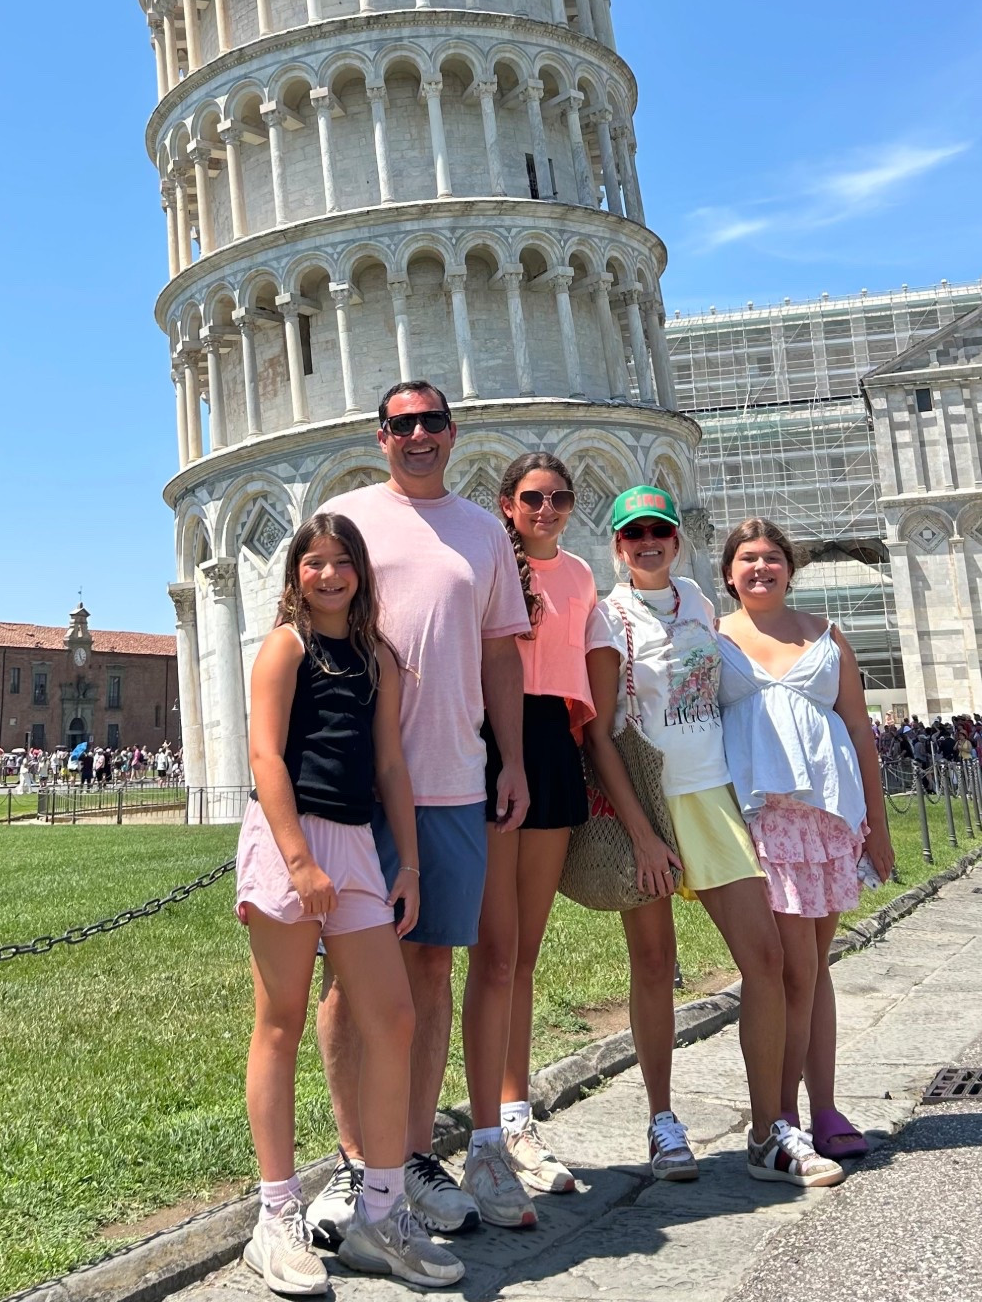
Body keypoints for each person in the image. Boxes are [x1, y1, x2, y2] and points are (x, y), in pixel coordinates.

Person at [309, 381, 531, 1244]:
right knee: (349, 975)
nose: (416, 436)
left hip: (450, 776)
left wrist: (508, 757)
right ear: (380, 436)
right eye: (401, 425)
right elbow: (306, 629)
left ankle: (407, 1160)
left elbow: (499, 655)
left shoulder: (481, 530)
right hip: (351, 784)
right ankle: (353, 1161)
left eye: (430, 422)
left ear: (451, 431)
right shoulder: (348, 516)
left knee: (432, 966)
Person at [592, 485, 845, 1188]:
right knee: (652, 963)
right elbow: (600, 735)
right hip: (646, 801)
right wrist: (640, 834)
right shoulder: (605, 617)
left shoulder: (702, 606)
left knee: (763, 962)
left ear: (675, 540)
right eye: (634, 533)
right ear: (617, 544)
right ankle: (662, 1120)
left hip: (713, 798)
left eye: (659, 532)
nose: (648, 542)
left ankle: (768, 1130)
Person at [237, 511, 463, 1295]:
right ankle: (274, 1219)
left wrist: (407, 867)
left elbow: (392, 765)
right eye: (314, 563)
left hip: (358, 847)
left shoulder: (376, 658)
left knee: (392, 1018)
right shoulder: (285, 647)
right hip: (288, 839)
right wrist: (296, 860)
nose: (328, 576)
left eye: (342, 563)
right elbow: (264, 752)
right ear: (294, 573)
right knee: (281, 1020)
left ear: (360, 574)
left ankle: (379, 1210)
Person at [717, 517, 896, 1162]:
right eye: (746, 560)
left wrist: (873, 822)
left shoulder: (827, 634)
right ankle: (783, 1111)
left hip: (827, 820)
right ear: (729, 573)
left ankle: (821, 1105)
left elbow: (859, 730)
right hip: (762, 818)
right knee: (791, 971)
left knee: (816, 970)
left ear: (790, 568)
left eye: (770, 558)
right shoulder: (712, 636)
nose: (759, 569)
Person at [461, 452, 612, 1215]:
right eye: (531, 498)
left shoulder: (582, 577)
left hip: (554, 738)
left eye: (557, 499)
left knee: (524, 952)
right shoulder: (490, 566)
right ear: (506, 504)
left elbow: (587, 679)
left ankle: (516, 1118)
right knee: (493, 951)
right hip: (497, 738)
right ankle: (485, 1130)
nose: (545, 510)